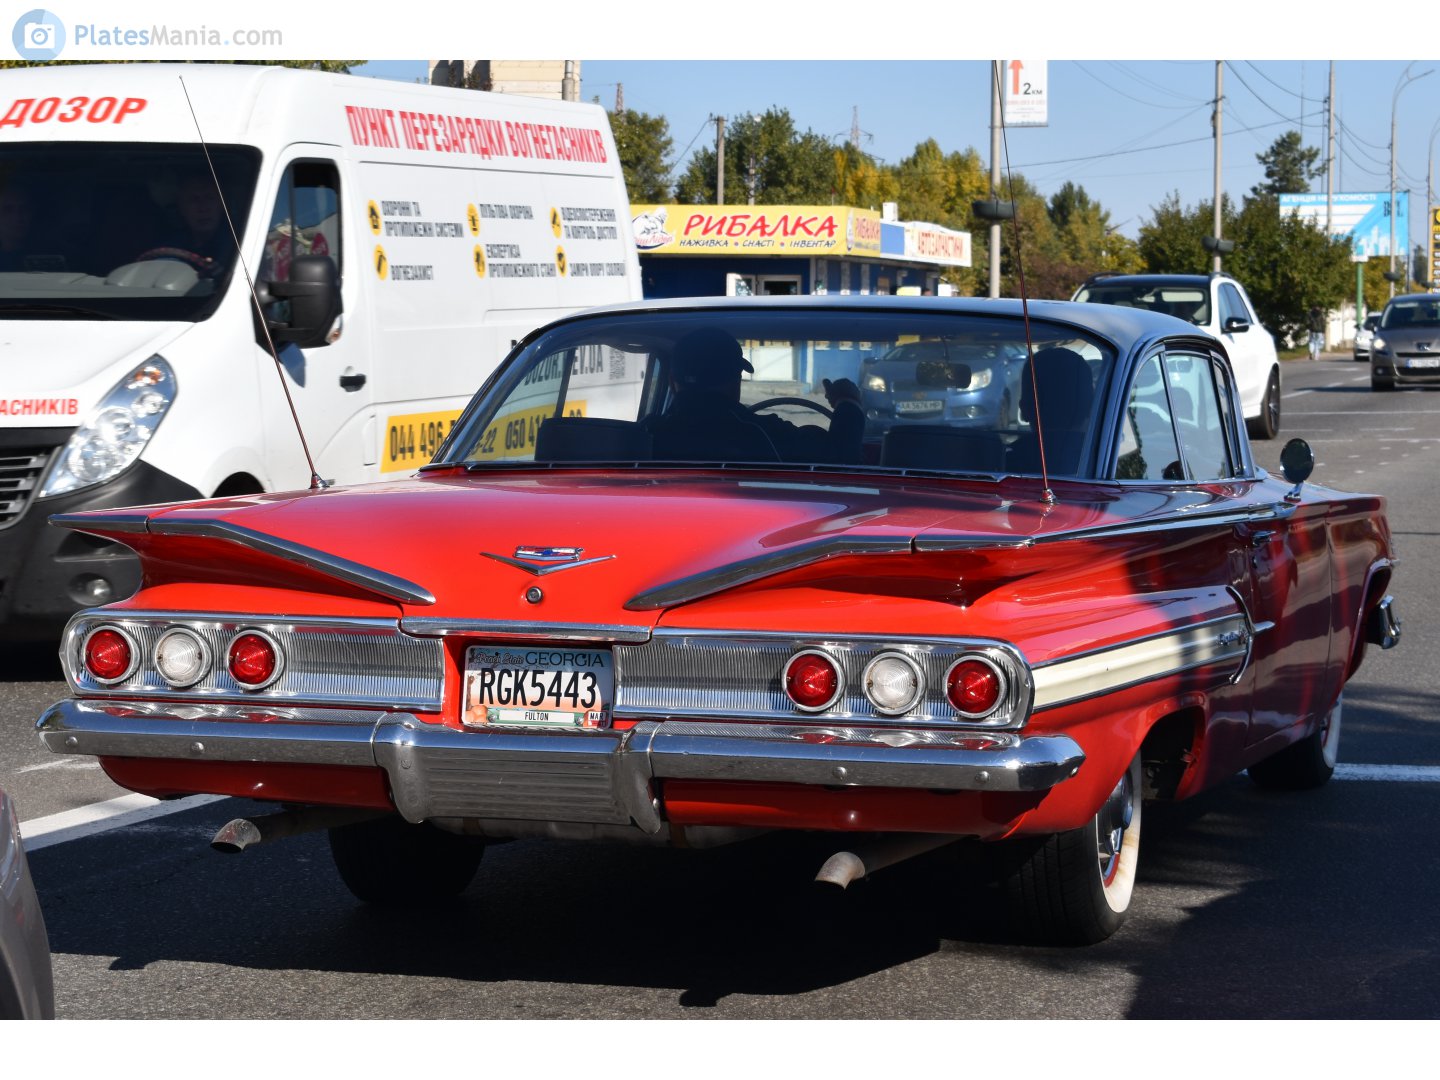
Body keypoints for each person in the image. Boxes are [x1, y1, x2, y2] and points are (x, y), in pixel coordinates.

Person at [648, 327, 865, 464]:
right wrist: (847, 401)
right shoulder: (763, 434)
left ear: (671, 382)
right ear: (736, 383)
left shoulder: (646, 434)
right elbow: (842, 455)